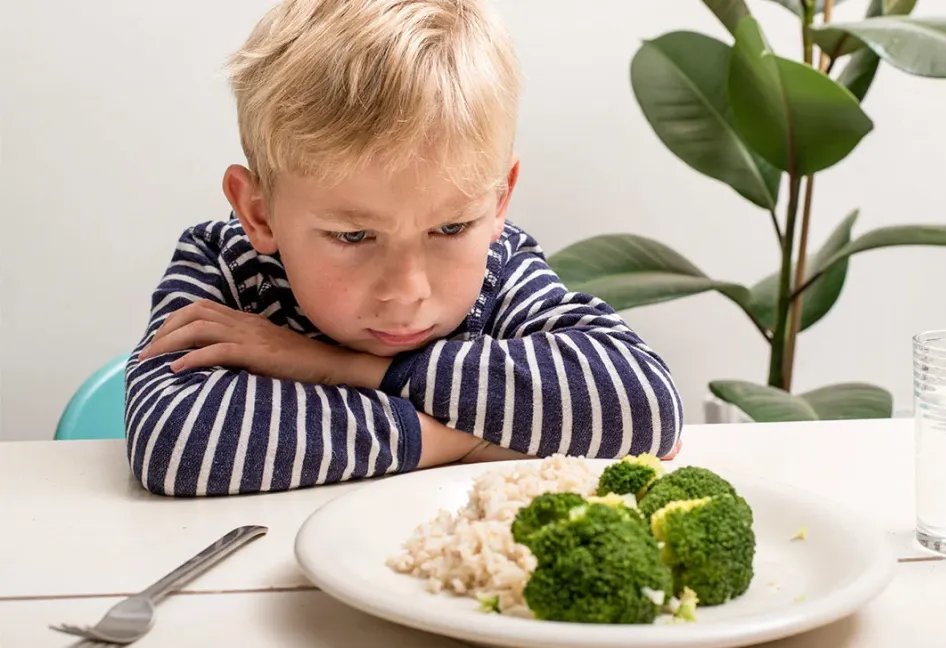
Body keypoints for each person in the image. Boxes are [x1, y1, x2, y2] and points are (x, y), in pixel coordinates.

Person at [124, 0, 683, 497]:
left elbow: (646, 404)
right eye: (353, 236)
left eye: (450, 228)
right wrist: (459, 442)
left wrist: (339, 368)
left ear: (499, 200)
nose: (407, 291)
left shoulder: (501, 267)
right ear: (259, 213)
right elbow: (177, 443)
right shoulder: (224, 264)